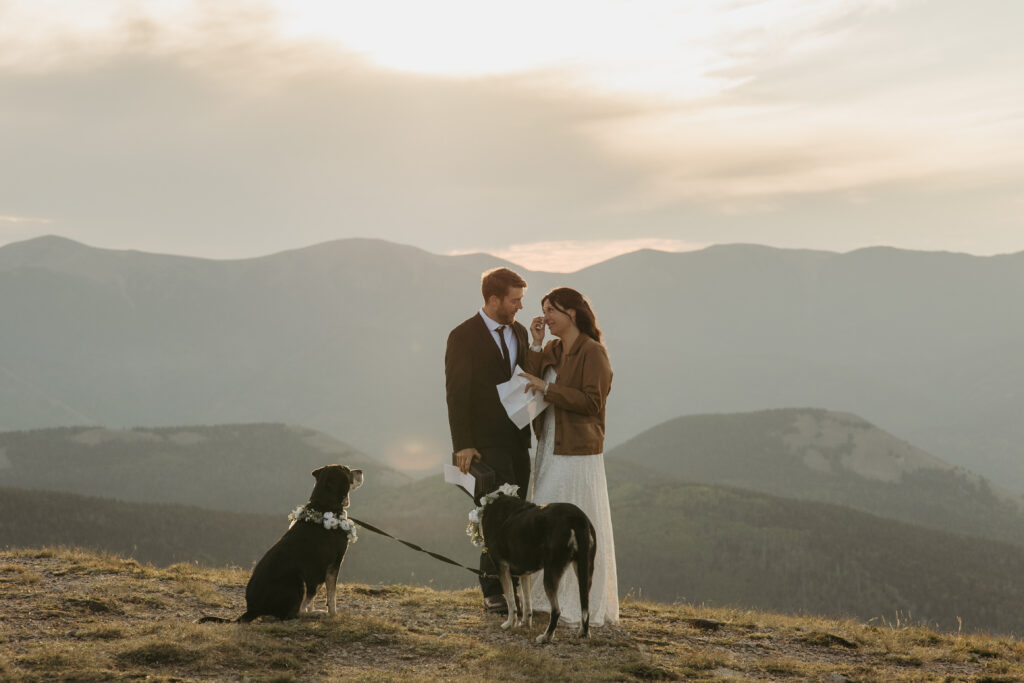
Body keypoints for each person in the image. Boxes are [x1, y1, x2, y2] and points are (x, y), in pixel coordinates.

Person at [519, 287, 618, 627]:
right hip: (549, 446)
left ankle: (581, 604)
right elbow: (531, 381)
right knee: (545, 522)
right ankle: (548, 601)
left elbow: (592, 402)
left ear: (572, 312)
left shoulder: (593, 353)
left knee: (576, 524)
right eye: (543, 309)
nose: (545, 316)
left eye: (551, 310)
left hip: (577, 452)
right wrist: (535, 343)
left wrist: (549, 390)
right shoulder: (553, 348)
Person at [445, 267, 532, 613]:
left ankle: (516, 584)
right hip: (484, 441)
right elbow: (456, 393)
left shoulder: (522, 332)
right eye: (515, 300)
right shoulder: (462, 336)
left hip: (519, 438)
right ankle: (492, 590)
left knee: (521, 511)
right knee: (495, 513)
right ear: (494, 299)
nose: (519, 307)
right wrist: (463, 443)